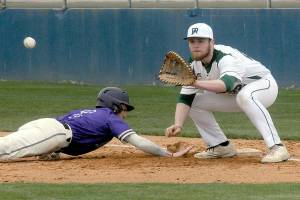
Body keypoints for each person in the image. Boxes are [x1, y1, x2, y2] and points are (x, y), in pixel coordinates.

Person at [165, 23, 290, 163]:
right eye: (192, 41)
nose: (196, 45)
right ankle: (220, 146)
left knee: (245, 96)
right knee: (194, 101)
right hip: (235, 95)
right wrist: (178, 124)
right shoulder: (194, 64)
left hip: (264, 86)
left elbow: (227, 85)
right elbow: (186, 97)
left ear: (211, 42)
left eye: (201, 41)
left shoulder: (226, 57)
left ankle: (277, 147)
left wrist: (195, 83)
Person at [0, 87, 192, 161]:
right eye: (125, 108)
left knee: (10, 149)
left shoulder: (90, 113)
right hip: (52, 133)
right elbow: (139, 142)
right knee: (5, 151)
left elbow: (76, 135)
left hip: (46, 128)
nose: (125, 114)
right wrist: (168, 154)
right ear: (117, 105)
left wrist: (52, 151)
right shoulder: (110, 118)